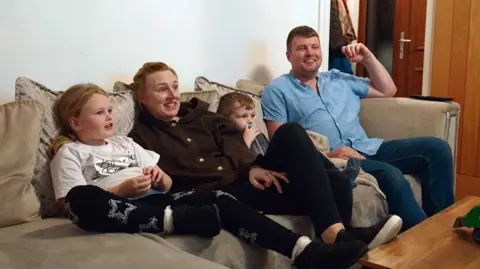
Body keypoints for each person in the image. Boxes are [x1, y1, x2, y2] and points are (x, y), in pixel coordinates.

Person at [49, 84, 367, 269]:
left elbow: (171, 183)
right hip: (116, 206)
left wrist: (160, 178)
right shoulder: (71, 153)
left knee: (221, 200)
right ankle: (171, 221)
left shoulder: (126, 143)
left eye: (109, 110)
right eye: (99, 112)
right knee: (82, 198)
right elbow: (69, 205)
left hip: (162, 200)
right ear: (75, 122)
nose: (110, 116)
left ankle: (307, 253)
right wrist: (122, 189)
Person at [127, 62, 404, 267]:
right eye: (162, 89)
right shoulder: (140, 138)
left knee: (293, 135)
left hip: (247, 178)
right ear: (142, 97)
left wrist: (252, 168)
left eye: (175, 87)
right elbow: (161, 181)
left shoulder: (206, 118)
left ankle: (336, 240)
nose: (173, 95)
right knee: (333, 182)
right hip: (218, 194)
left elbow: (236, 144)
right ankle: (338, 236)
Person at [260, 25, 455, 230]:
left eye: (315, 47)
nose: (310, 52)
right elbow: (282, 142)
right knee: (391, 175)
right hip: (337, 160)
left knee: (437, 148)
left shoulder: (337, 78)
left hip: (369, 147)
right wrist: (330, 154)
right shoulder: (277, 90)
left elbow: (388, 90)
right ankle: (425, 239)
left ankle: (444, 228)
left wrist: (368, 58)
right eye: (302, 48)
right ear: (288, 55)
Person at [217, 91, 362, 189]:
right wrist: (245, 141)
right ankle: (339, 180)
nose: (250, 121)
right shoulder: (228, 137)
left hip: (273, 164)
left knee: (305, 151)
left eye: (252, 115)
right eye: (243, 116)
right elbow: (238, 164)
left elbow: (268, 151)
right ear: (226, 120)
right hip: (264, 174)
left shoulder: (255, 133)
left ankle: (337, 175)